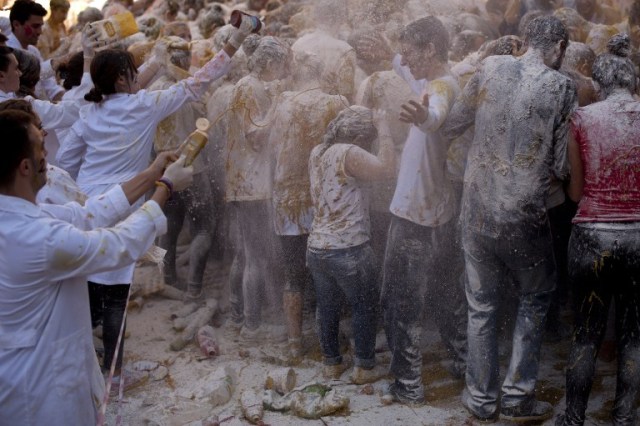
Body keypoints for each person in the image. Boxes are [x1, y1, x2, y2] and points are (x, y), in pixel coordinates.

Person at [55, 18, 255, 382]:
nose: (137, 79)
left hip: (86, 202)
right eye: (133, 73)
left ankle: (87, 361)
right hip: (124, 200)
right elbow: (198, 83)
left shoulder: (89, 113)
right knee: (116, 288)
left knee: (87, 282)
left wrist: (85, 187)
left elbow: (66, 161)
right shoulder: (145, 105)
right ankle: (113, 373)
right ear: (122, 79)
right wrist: (235, 41)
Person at [0, 108, 193, 425]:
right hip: (40, 391)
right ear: (25, 167)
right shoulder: (35, 237)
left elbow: (87, 214)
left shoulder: (22, 214)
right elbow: (118, 245)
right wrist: (166, 188)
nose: (46, 152)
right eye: (39, 146)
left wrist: (151, 173)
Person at [442, 15, 577, 422]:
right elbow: (560, 165)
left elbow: (453, 122)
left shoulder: (491, 67)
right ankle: (518, 398)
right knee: (535, 299)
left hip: (477, 210)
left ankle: (480, 401)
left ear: (524, 40)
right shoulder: (561, 85)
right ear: (557, 48)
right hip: (523, 214)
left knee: (481, 306)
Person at [380, 16, 467, 406]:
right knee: (447, 298)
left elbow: (435, 116)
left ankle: (408, 385)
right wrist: (387, 38)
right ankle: (466, 366)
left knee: (400, 300)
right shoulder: (427, 78)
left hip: (416, 215)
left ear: (431, 50)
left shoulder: (440, 87)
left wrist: (422, 118)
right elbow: (399, 61)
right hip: (436, 211)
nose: (404, 57)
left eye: (412, 49)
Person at [555, 44, 640, 426]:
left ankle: (573, 419)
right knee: (633, 336)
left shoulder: (581, 118)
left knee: (586, 335)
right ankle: (624, 419)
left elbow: (575, 194)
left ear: (600, 84)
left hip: (591, 236)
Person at [269, 49, 347, 359]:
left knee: (292, 273)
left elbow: (269, 143)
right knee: (326, 271)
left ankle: (294, 343)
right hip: (323, 198)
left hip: (287, 198)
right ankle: (330, 338)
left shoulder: (284, 101)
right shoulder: (336, 102)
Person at [307, 106, 395, 384]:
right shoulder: (349, 152)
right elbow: (387, 169)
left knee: (328, 306)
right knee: (365, 305)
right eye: (368, 138)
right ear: (359, 135)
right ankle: (364, 368)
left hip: (317, 246)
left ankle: (331, 363)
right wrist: (384, 128)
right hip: (349, 247)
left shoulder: (318, 151)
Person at [225, 36, 290, 342]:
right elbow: (256, 136)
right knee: (257, 256)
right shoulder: (249, 87)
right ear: (269, 63)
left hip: (250, 180)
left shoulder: (249, 86)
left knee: (258, 254)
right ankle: (252, 324)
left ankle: (258, 316)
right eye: (280, 66)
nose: (281, 73)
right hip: (252, 183)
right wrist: (278, 103)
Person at [148, 37, 211, 301]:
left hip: (165, 167)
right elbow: (206, 126)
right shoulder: (188, 89)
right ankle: (195, 286)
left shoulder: (153, 91)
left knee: (168, 227)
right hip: (193, 169)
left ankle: (167, 278)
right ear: (182, 60)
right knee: (203, 227)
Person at [7, 0, 64, 101]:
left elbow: (50, 86)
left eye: (41, 26)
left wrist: (68, 101)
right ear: (16, 24)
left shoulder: (33, 51)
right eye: (35, 26)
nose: (40, 32)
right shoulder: (6, 52)